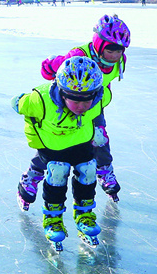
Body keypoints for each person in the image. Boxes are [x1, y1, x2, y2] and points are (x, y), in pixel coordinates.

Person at [13, 56, 110, 251]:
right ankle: (52, 217)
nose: (81, 107)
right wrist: (34, 133)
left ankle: (85, 214)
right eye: (75, 100)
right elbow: (17, 103)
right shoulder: (40, 100)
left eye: (86, 100)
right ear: (62, 93)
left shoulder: (101, 98)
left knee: (89, 170)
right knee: (57, 172)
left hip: (80, 141)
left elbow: (98, 108)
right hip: (52, 145)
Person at [37, 15, 131, 201]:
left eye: (119, 51)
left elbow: (106, 81)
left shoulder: (121, 61)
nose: (114, 56)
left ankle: (105, 171)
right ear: (99, 44)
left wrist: (102, 97)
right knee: (57, 142)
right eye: (110, 50)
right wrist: (50, 66)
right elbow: (54, 70)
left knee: (99, 137)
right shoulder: (78, 56)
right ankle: (34, 172)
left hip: (93, 103)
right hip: (69, 105)